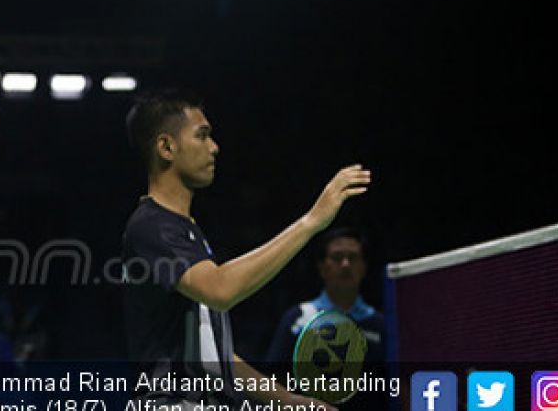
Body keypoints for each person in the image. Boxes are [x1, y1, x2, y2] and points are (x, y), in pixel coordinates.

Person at [121, 90, 371, 410]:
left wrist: (293, 401)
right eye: (202, 136)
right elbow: (221, 290)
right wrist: (311, 222)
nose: (214, 147)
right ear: (167, 147)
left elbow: (218, 355)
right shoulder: (152, 226)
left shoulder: (186, 233)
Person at [264, 227, 386, 398]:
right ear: (322, 267)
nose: (345, 264)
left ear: (364, 267)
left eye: (353, 258)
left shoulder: (382, 325)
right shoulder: (298, 319)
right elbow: (274, 383)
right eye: (337, 258)